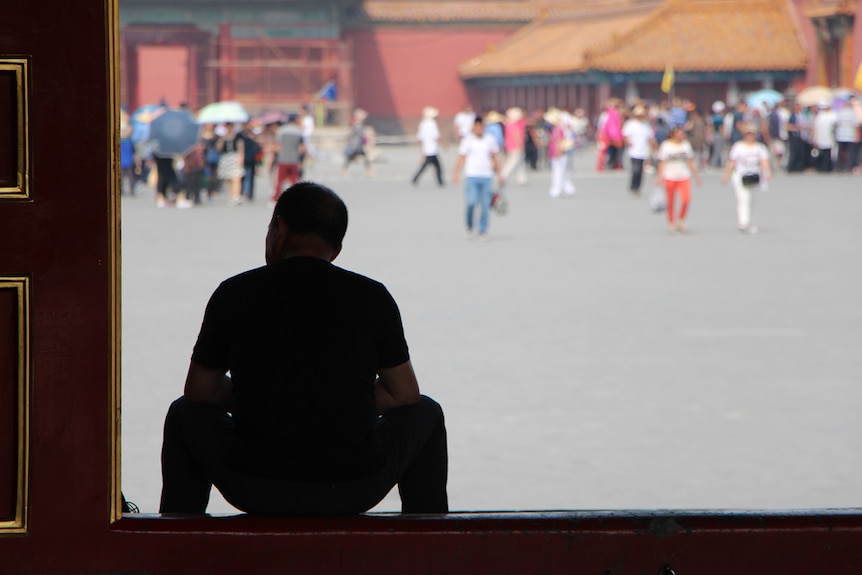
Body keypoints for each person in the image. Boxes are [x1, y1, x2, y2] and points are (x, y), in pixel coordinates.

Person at [159, 182, 449, 515]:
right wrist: (335, 401)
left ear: (279, 227)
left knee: (184, 414)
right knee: (426, 412)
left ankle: (178, 540)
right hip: (353, 486)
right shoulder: (372, 296)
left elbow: (199, 391)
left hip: (253, 483)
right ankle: (427, 545)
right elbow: (404, 395)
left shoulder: (234, 293)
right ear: (336, 249)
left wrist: (266, 400)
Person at [452, 116, 503, 240]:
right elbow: (461, 157)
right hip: (472, 175)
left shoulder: (489, 140)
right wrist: (456, 173)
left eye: (481, 127)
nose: (479, 129)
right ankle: (469, 225)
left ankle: (482, 229)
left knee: (485, 205)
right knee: (471, 202)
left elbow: (494, 156)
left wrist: (499, 173)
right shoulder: (468, 140)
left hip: (486, 176)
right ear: (473, 128)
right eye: (476, 127)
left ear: (483, 128)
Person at [722, 123, 771, 235]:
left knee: (750, 200)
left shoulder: (759, 147)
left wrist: (767, 171)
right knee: (743, 199)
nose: (750, 136)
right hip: (740, 176)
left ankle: (746, 219)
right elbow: (732, 161)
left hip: (754, 176)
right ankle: (743, 222)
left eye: (752, 134)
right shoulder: (738, 147)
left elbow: (764, 161)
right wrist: (726, 175)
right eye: (748, 134)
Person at [656, 125, 702, 234]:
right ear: (674, 134)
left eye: (683, 134)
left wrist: (696, 176)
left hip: (683, 175)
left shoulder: (685, 145)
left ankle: (681, 220)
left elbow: (690, 161)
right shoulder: (666, 146)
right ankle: (671, 222)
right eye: (680, 133)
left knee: (686, 199)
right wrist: (659, 177)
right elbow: (662, 162)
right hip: (669, 176)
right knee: (671, 202)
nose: (682, 136)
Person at [621, 105, 655, 195]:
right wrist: (628, 142)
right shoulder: (630, 124)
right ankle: (633, 186)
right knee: (635, 169)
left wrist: (655, 147)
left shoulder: (646, 125)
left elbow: (650, 137)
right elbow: (625, 135)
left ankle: (638, 187)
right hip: (634, 151)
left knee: (640, 170)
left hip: (643, 150)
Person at [272, 114, 305, 202]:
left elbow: (278, 146)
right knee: (294, 179)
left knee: (279, 180)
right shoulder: (299, 131)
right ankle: (296, 197)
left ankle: (276, 197)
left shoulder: (281, 131)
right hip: (294, 159)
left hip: (283, 158)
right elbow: (302, 147)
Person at [544, 108, 576, 199]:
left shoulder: (558, 129)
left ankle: (556, 189)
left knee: (558, 171)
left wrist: (558, 152)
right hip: (556, 151)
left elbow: (559, 142)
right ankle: (568, 188)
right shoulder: (555, 129)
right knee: (561, 170)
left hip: (558, 152)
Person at [411, 106, 444, 187]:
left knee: (430, 166)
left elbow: (420, 138)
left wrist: (422, 151)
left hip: (427, 149)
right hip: (432, 150)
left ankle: (416, 178)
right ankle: (440, 182)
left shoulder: (422, 124)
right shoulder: (432, 124)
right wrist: (444, 144)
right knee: (437, 167)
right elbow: (436, 136)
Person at [217, 123, 245, 206]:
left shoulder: (238, 137)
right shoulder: (223, 137)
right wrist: (223, 139)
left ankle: (236, 196)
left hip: (235, 157)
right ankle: (230, 196)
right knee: (228, 178)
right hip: (225, 158)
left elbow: (241, 148)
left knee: (236, 177)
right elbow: (218, 148)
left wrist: (241, 158)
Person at [342, 109, 373, 176]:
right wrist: (366, 136)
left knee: (352, 158)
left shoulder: (358, 124)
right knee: (351, 157)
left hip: (358, 145)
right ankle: (368, 171)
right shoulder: (357, 124)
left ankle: (344, 170)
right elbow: (358, 134)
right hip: (356, 145)